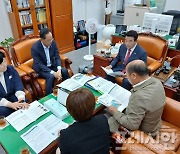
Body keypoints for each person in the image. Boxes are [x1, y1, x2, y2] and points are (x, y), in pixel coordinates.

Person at [108, 60, 166, 138]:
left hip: (144, 132)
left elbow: (132, 125)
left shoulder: (139, 97)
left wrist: (114, 112)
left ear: (134, 76)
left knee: (107, 122)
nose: (125, 76)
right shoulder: (157, 82)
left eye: (127, 74)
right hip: (155, 123)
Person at [58, 88, 110, 154]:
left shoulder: (65, 136)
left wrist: (64, 135)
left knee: (58, 150)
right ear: (93, 107)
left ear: (69, 111)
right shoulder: (102, 119)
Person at [31, 28, 70, 95]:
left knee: (64, 71)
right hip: (41, 69)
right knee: (51, 76)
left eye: (52, 38)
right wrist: (53, 73)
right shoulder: (35, 48)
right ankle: (49, 96)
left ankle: (68, 89)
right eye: (49, 40)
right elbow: (39, 64)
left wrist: (59, 70)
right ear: (42, 40)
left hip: (52, 65)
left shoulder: (53, 43)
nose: (51, 41)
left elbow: (57, 56)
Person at [0, 52, 29, 117]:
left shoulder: (10, 69)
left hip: (13, 96)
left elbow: (18, 85)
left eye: (4, 61)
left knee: (24, 103)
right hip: (2, 102)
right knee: (2, 111)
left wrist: (21, 100)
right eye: (1, 64)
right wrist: (11, 105)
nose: (4, 65)